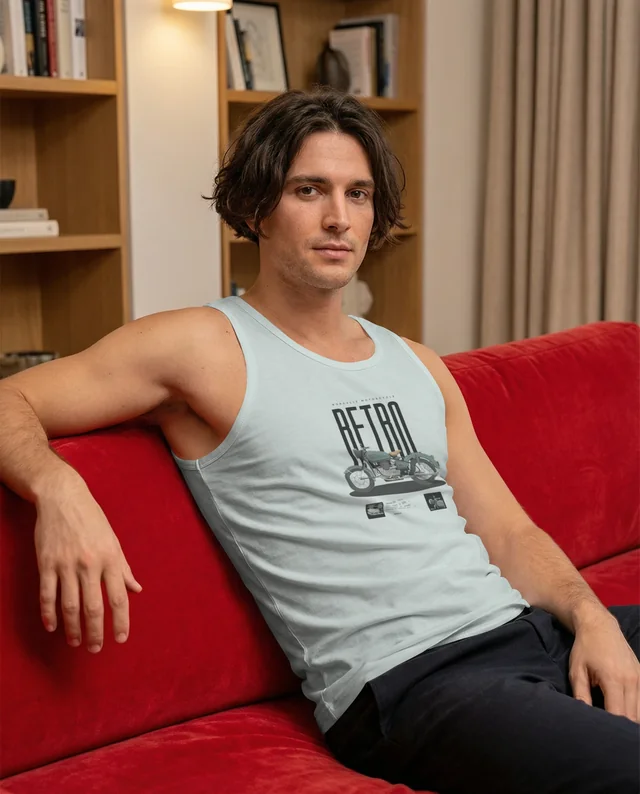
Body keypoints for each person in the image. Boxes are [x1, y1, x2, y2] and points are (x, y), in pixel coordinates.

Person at [0, 88, 638, 794]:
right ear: (255, 208)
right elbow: (11, 398)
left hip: (527, 631)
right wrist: (57, 486)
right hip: (412, 684)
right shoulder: (202, 347)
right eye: (310, 189)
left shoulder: (417, 364)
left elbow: (511, 534)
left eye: (358, 194)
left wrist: (591, 619)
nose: (339, 218)